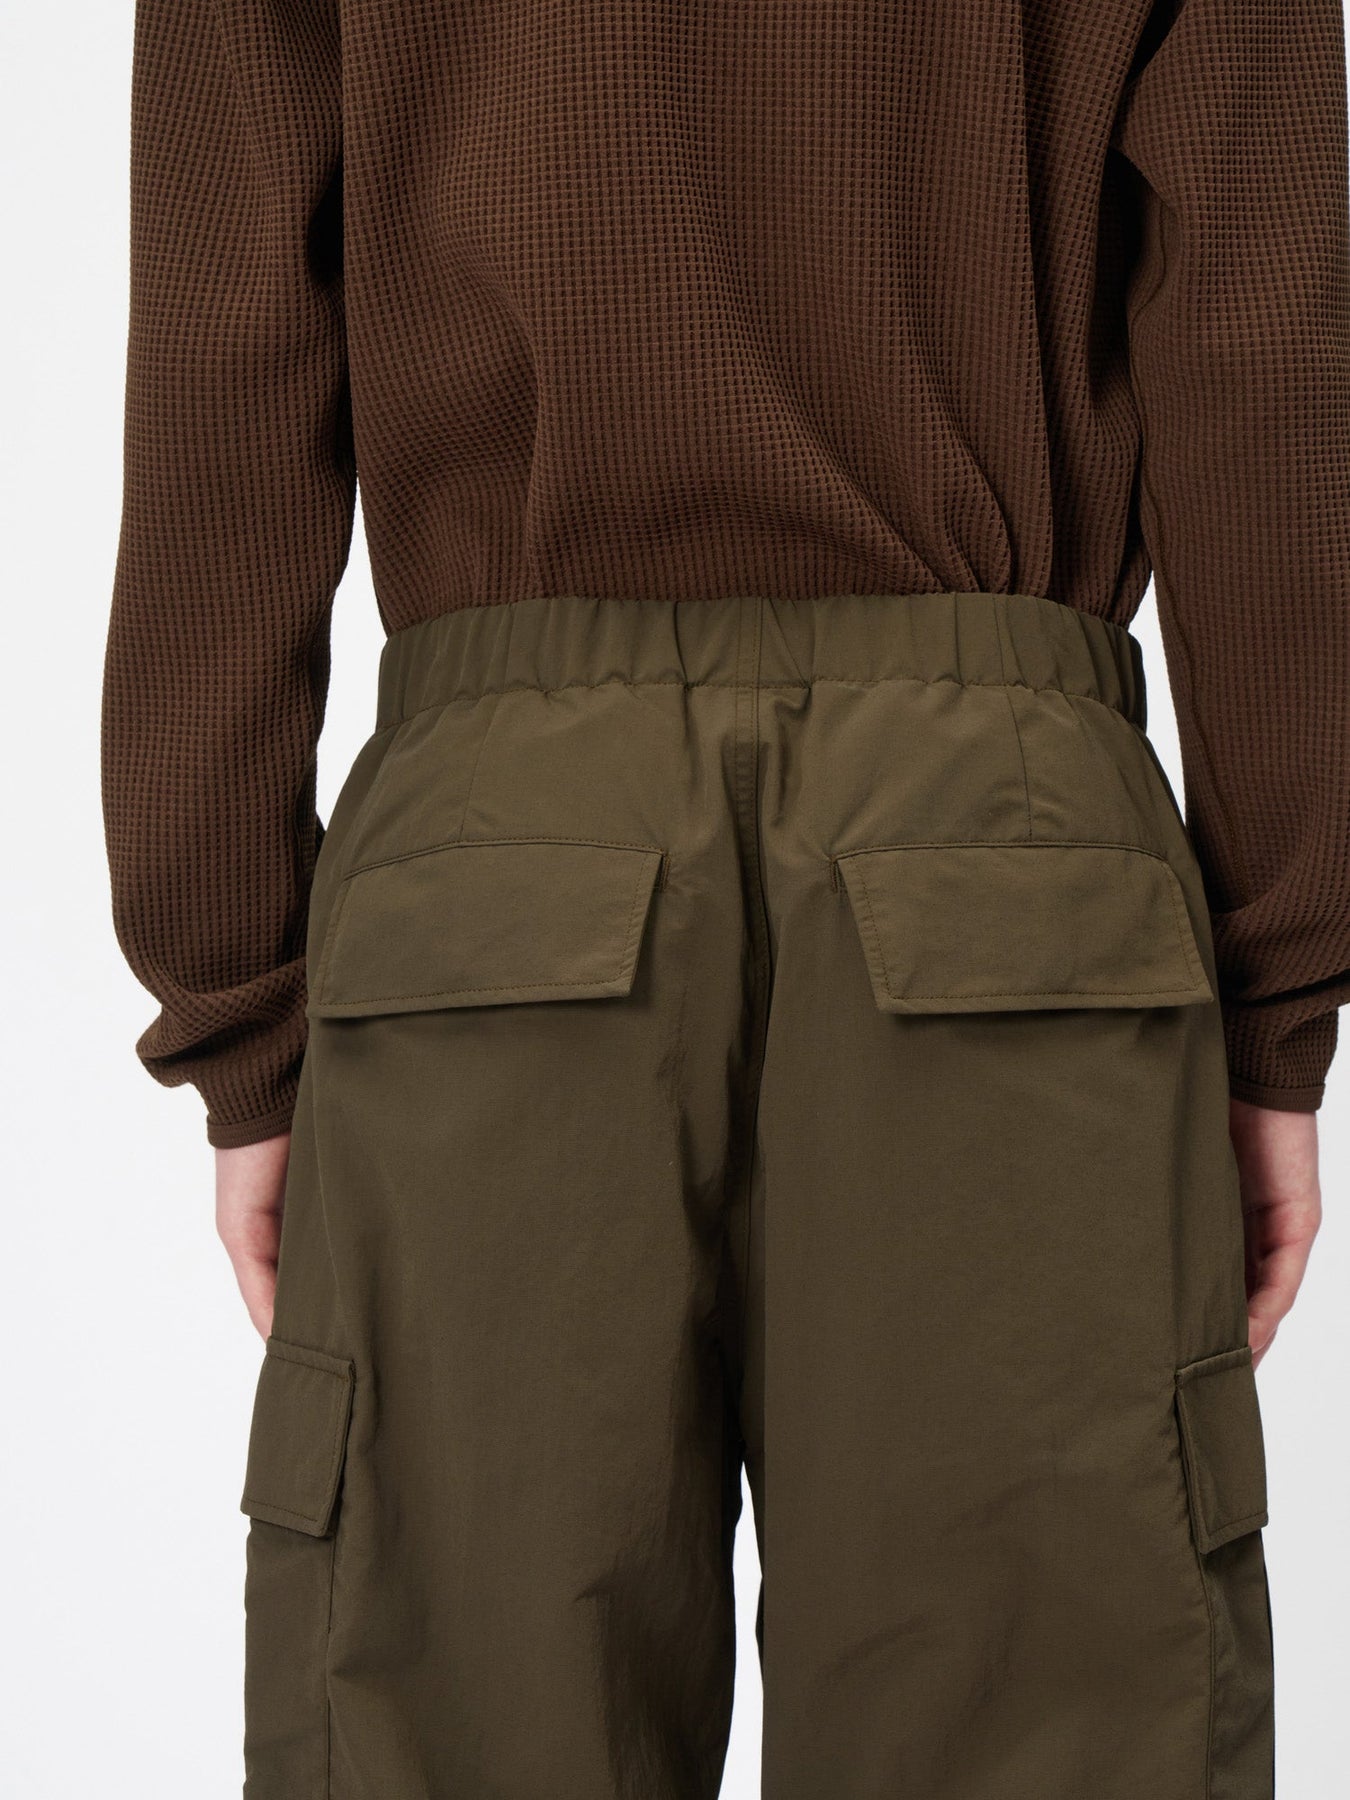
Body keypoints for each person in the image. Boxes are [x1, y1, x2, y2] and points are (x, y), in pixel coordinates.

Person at [102, 2, 1344, 1795]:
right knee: (1052, 1727)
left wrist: (239, 999)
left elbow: (227, 343)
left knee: (458, 1726)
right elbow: (1260, 340)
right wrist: (1275, 983)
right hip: (1006, 857)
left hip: (498, 873)